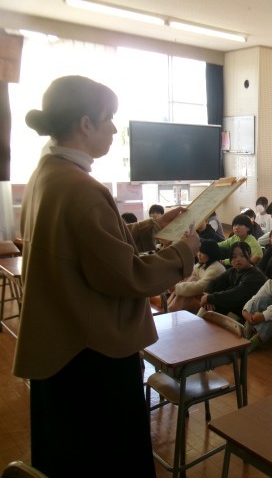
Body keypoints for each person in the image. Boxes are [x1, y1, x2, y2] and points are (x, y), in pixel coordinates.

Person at [16, 75, 201, 478]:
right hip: (90, 353)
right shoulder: (81, 187)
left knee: (66, 455)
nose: (115, 130)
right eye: (109, 118)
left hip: (61, 342)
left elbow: (92, 246)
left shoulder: (48, 173)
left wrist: (152, 228)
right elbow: (128, 275)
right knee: (106, 458)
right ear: (85, 124)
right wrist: (183, 252)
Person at [198, 241, 267, 318]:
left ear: (250, 256)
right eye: (234, 256)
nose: (238, 259)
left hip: (250, 314)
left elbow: (235, 295)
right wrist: (207, 294)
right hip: (234, 307)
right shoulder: (233, 270)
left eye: (242, 255)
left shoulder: (255, 276)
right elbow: (214, 282)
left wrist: (209, 298)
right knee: (207, 306)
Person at [166, 239, 226, 313]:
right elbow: (187, 277)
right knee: (191, 279)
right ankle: (169, 307)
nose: (199, 254)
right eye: (199, 251)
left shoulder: (217, 268)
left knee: (192, 281)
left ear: (211, 253)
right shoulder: (201, 264)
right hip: (198, 297)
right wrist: (175, 286)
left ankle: (170, 310)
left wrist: (176, 287)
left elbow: (200, 287)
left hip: (209, 302)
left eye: (202, 252)